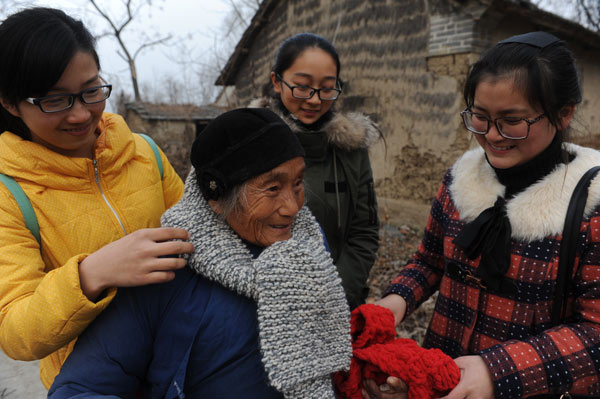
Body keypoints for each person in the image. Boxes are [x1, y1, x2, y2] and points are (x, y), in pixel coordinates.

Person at [47, 108, 354, 398]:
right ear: (216, 198)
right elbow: (77, 388)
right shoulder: (165, 267)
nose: (292, 207)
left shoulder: (307, 247)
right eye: (272, 189)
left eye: (298, 183)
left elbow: (328, 360)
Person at [366, 31, 600, 399]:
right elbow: (429, 260)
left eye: (512, 120)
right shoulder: (461, 181)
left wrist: (496, 372)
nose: (492, 136)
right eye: (479, 117)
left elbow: (595, 332)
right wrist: (392, 304)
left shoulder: (591, 206)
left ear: (564, 112)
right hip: (442, 376)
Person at [0, 7, 193, 389]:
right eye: (55, 101)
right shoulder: (10, 194)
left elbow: (200, 236)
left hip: (184, 364)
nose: (81, 114)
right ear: (9, 103)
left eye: (91, 90)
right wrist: (92, 273)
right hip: (93, 385)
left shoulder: (143, 152)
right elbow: (15, 332)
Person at [250, 32, 381, 310]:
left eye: (326, 89)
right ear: (276, 81)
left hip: (333, 302)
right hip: (257, 302)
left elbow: (363, 233)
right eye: (302, 87)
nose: (314, 100)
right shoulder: (247, 142)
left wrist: (334, 296)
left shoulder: (351, 151)